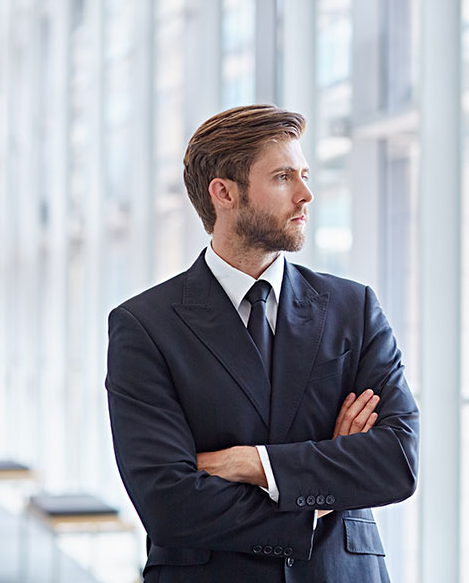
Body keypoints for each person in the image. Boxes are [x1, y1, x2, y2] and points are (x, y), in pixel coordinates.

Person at [105, 104, 419, 583]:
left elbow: (395, 461)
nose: (306, 194)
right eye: (282, 177)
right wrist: (315, 498)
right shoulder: (145, 326)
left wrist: (257, 463)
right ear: (224, 193)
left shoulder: (352, 307)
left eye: (305, 174)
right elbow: (169, 502)